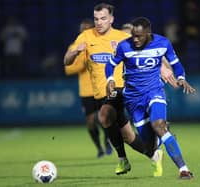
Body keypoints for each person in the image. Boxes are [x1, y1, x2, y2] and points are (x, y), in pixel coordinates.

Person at [64, 3, 167, 176]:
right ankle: (154, 155)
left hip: (119, 89)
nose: (99, 22)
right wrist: (74, 53)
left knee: (104, 116)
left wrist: (163, 67)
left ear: (112, 19)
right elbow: (66, 62)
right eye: (96, 19)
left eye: (103, 18)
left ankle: (122, 160)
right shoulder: (85, 37)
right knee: (127, 136)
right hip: (99, 94)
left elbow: (150, 49)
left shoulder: (121, 38)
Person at [105, 17, 196, 179]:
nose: (135, 39)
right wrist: (110, 79)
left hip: (154, 91)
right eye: (133, 35)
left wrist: (181, 77)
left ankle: (184, 169)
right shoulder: (124, 46)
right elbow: (110, 64)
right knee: (149, 146)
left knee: (158, 125)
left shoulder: (163, 43)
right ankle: (162, 140)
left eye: (139, 36)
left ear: (148, 33)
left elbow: (176, 63)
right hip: (133, 99)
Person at [64, 18, 112, 158]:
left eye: (87, 29)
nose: (84, 31)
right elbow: (68, 69)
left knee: (105, 118)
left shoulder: (99, 44)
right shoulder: (74, 47)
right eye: (82, 29)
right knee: (91, 121)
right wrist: (83, 62)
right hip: (86, 91)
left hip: (101, 87)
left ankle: (108, 141)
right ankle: (99, 148)